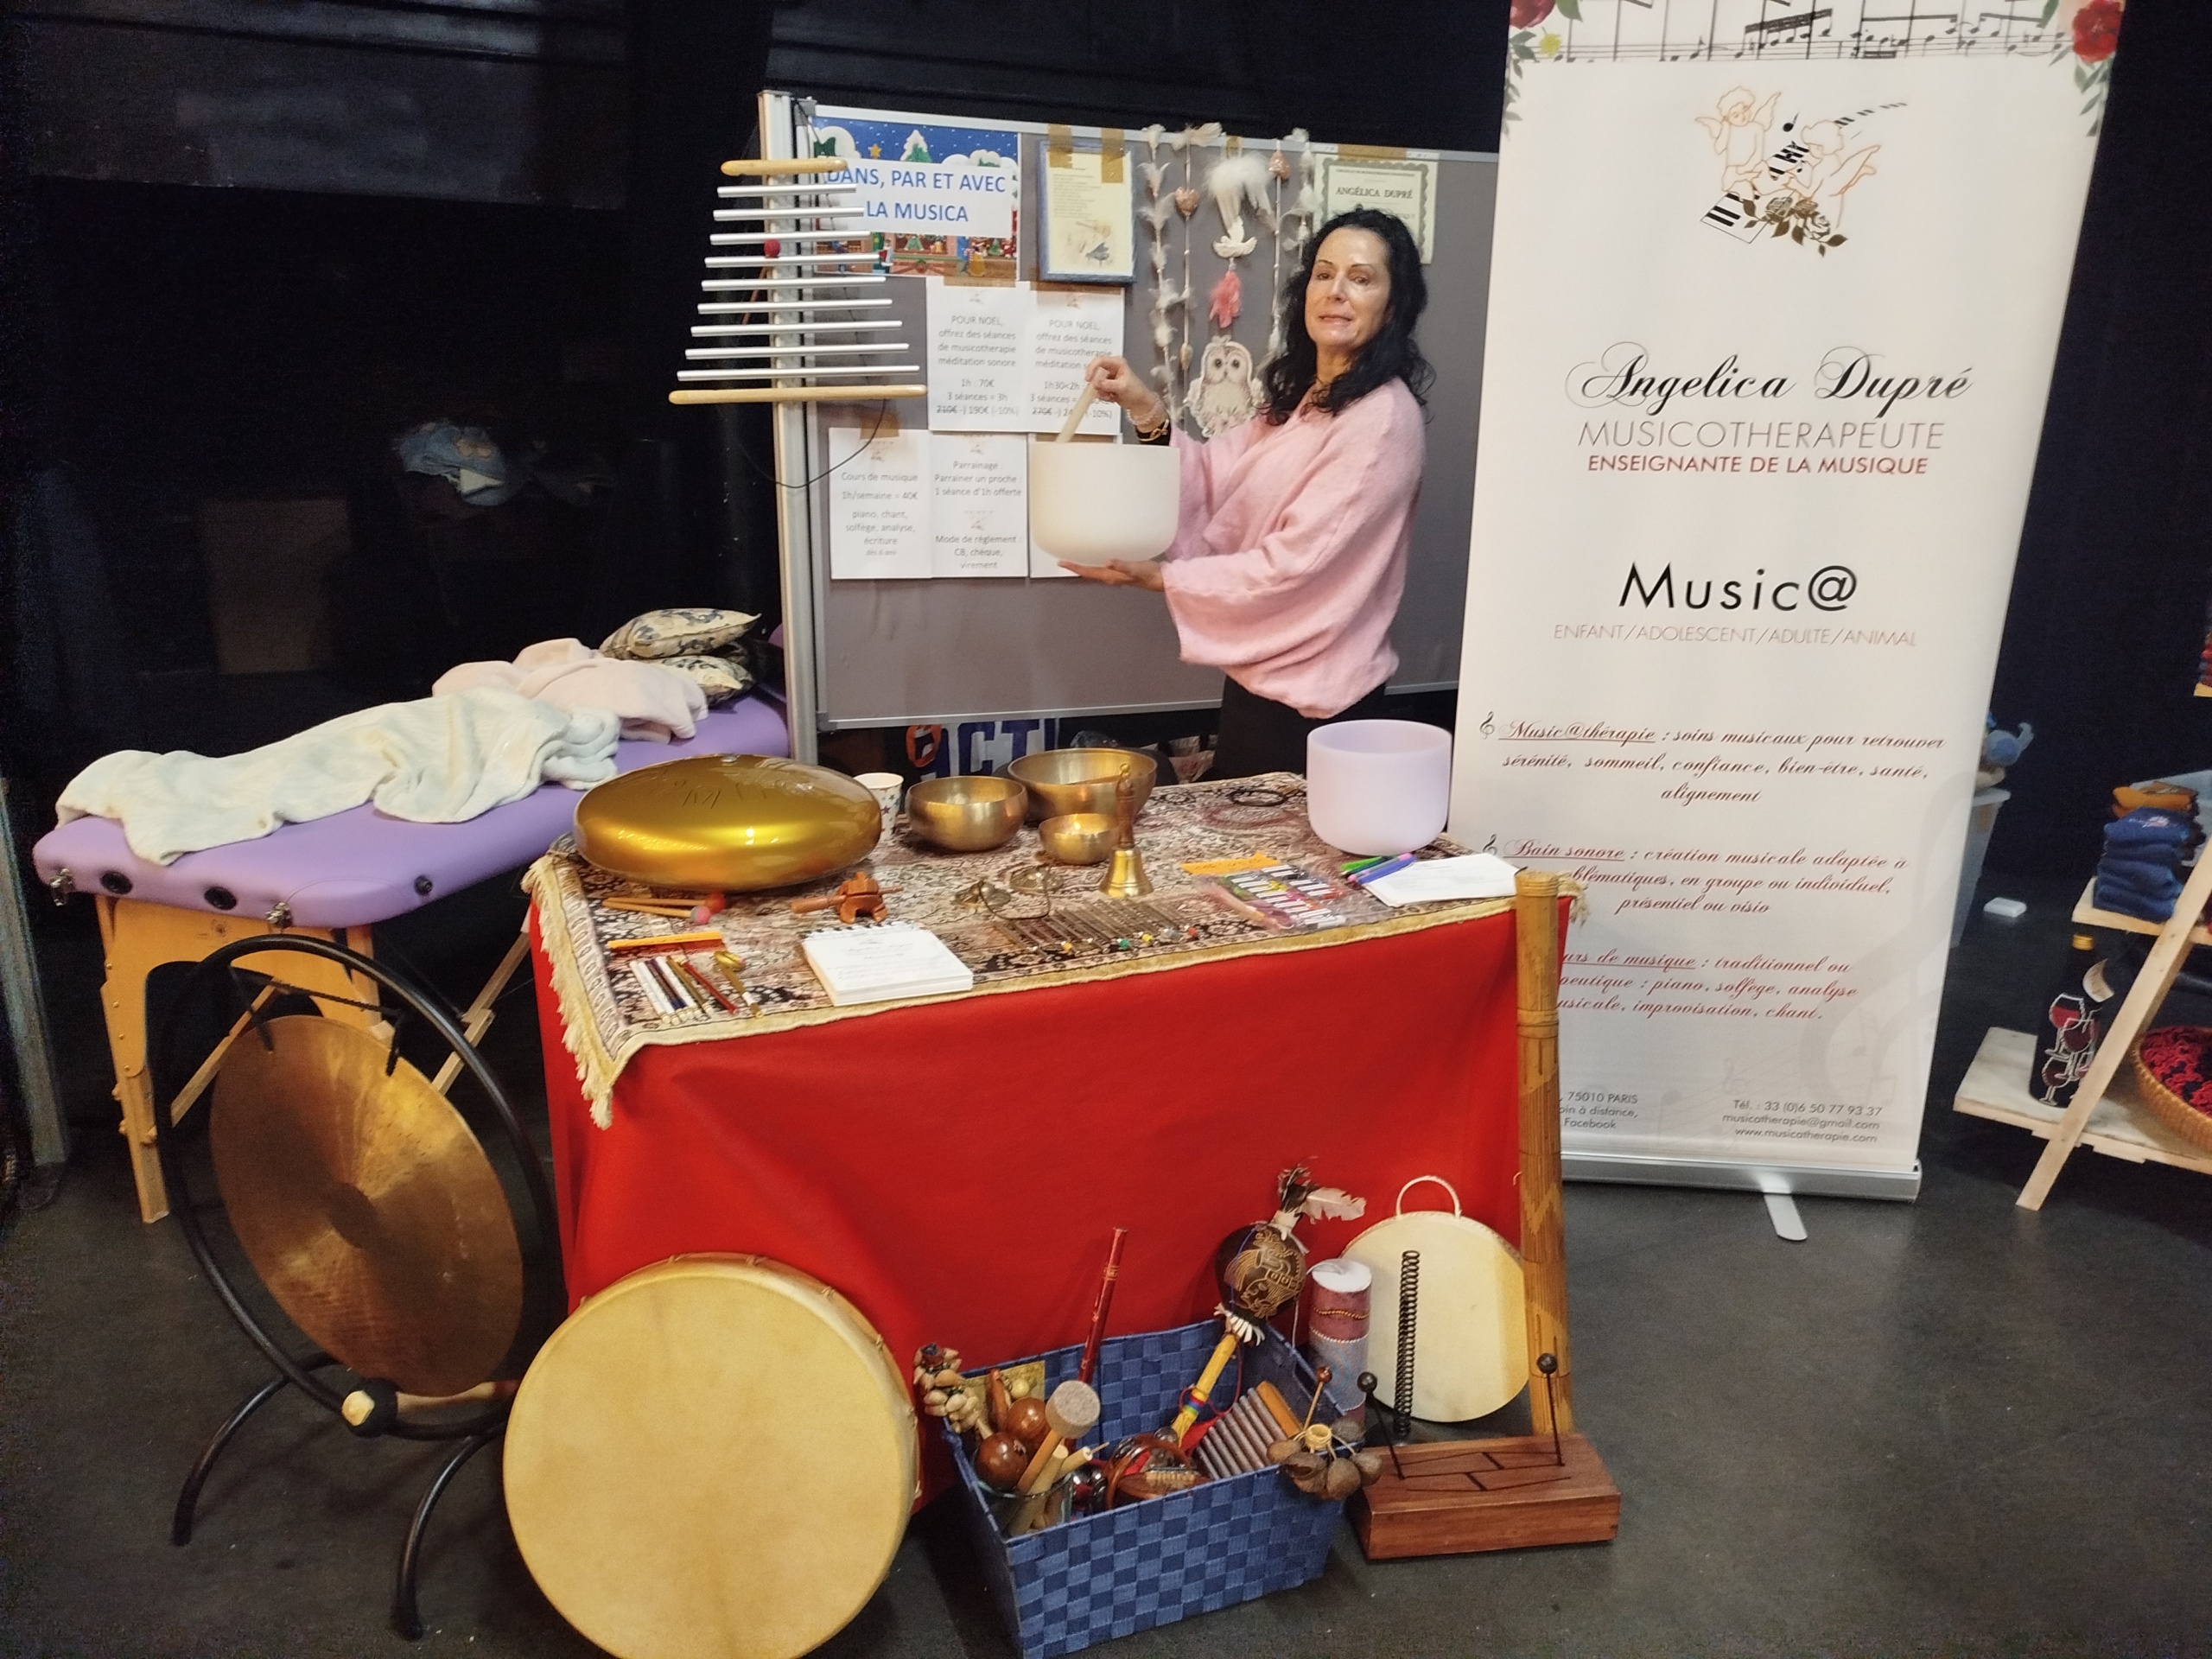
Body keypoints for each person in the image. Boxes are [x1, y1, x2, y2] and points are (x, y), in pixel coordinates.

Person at [1069, 206, 1431, 779]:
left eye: (1361, 279)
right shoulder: (1306, 402)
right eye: (1324, 273)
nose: (1336, 291)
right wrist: (1144, 407)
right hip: (1257, 691)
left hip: (1318, 713)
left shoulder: (1381, 418)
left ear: (1393, 305)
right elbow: (1213, 478)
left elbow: (1297, 565)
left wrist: (1162, 577)